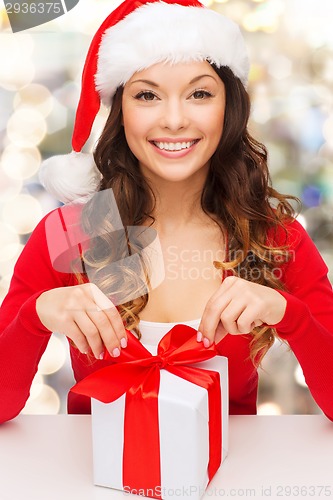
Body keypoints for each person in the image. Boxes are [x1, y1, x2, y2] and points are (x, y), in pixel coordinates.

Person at [1, 0, 333, 424]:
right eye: (147, 95)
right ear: (120, 110)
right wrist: (36, 315)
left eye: (199, 93)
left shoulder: (275, 238)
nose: (174, 120)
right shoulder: (68, 232)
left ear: (228, 107)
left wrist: (289, 315)